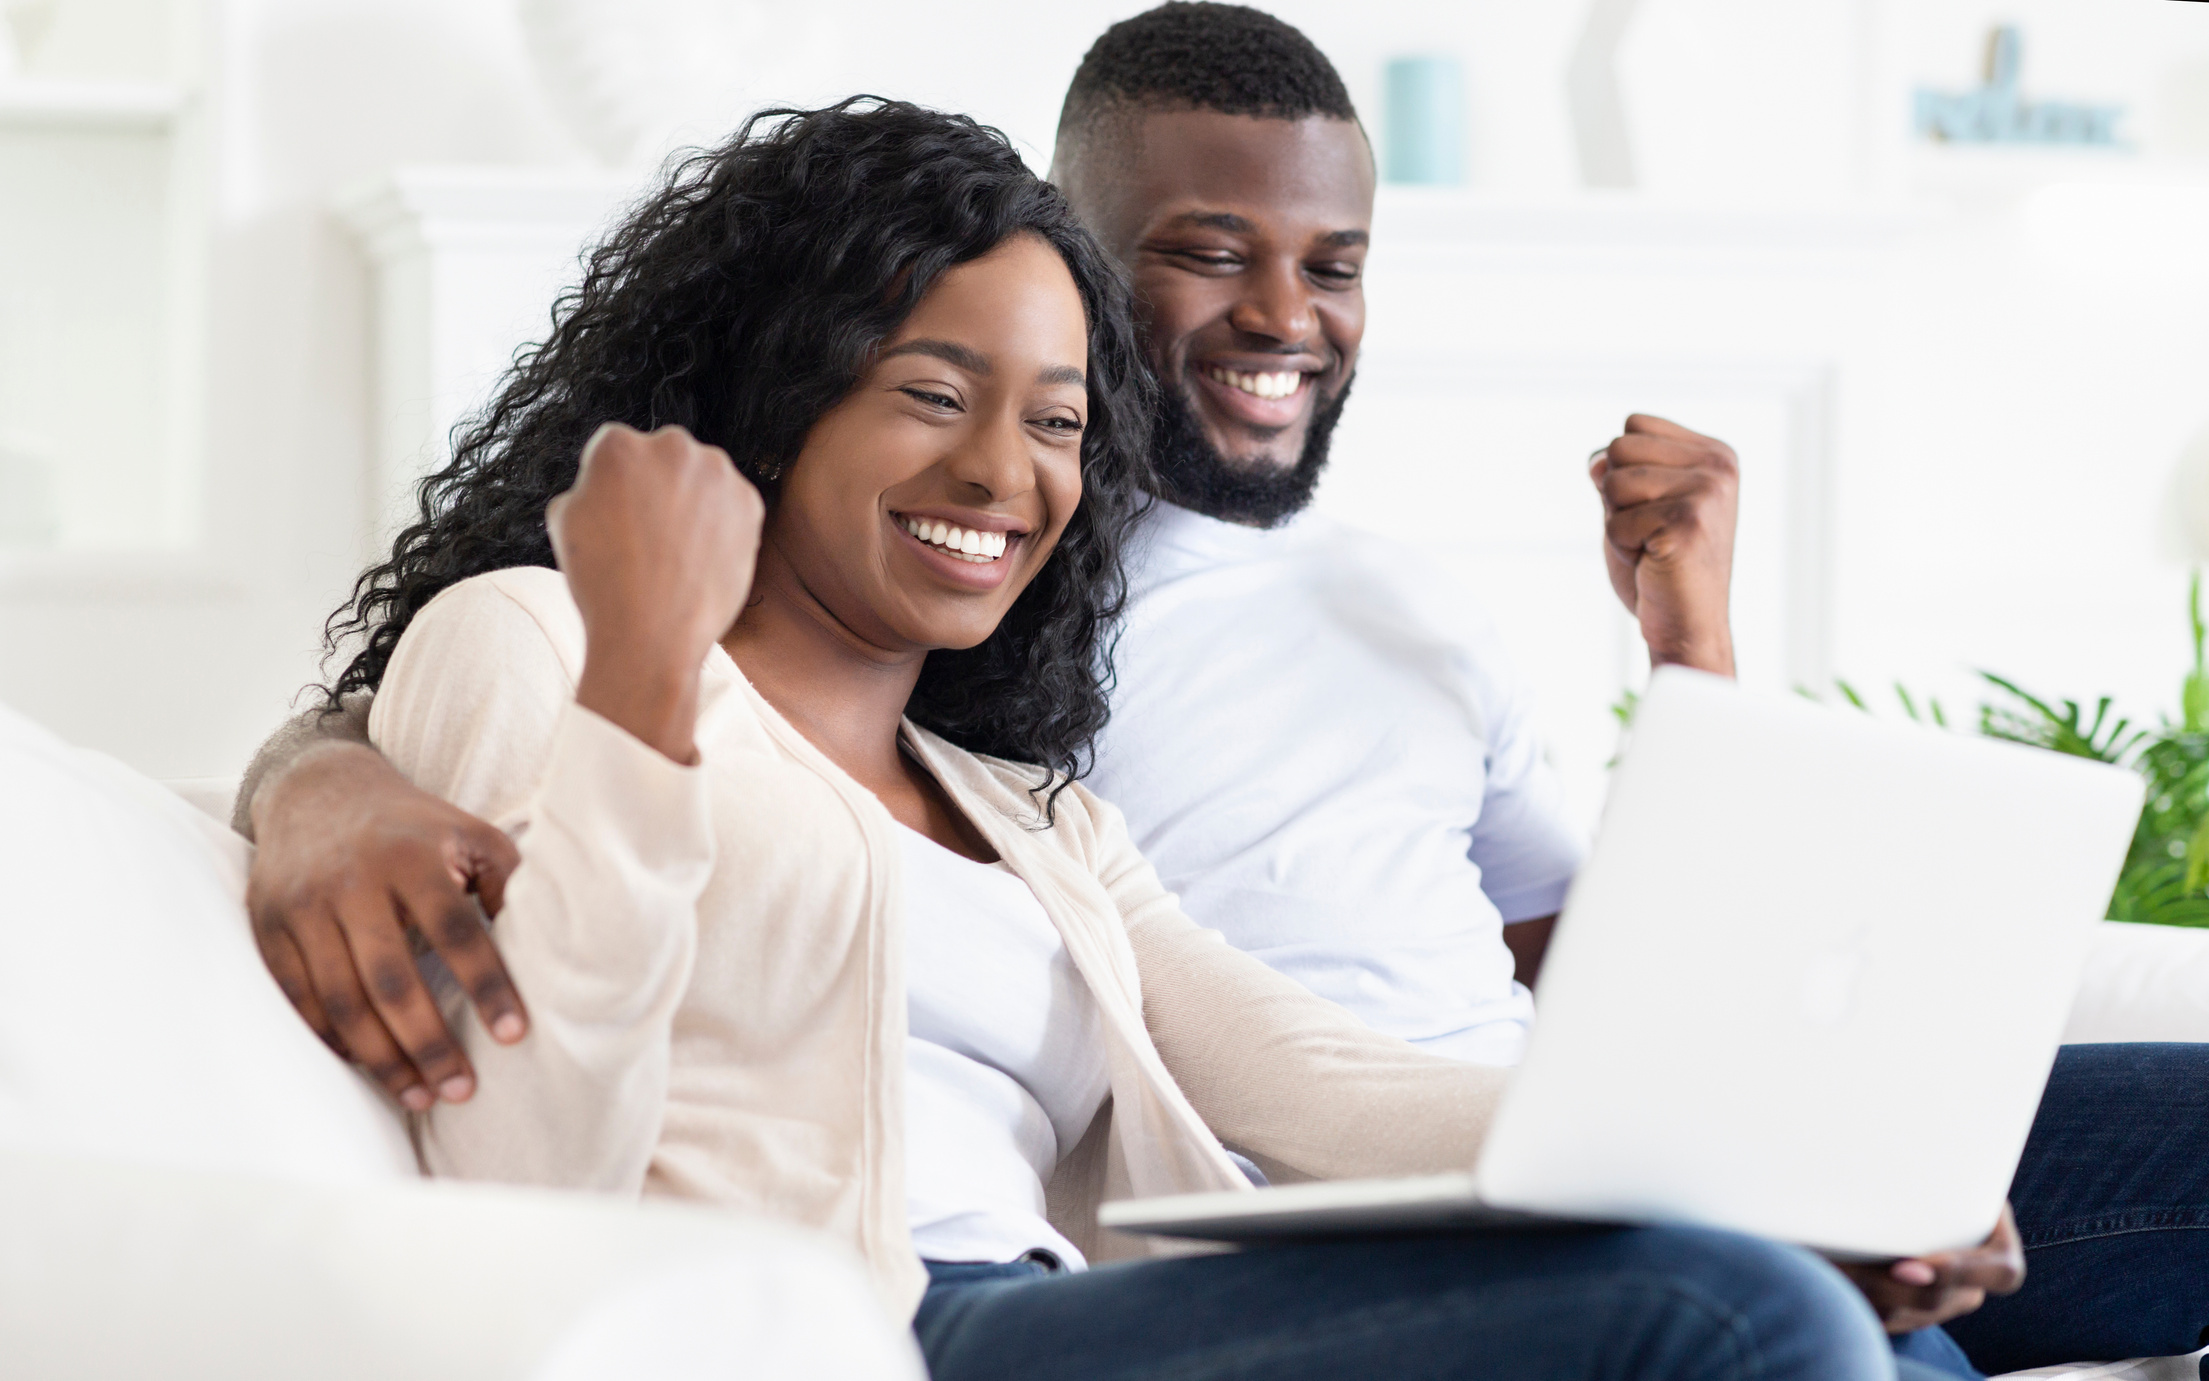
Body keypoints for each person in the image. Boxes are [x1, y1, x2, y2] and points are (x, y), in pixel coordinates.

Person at [233, 7, 2208, 1377]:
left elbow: (1325, 1083)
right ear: (773, 385)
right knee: (1740, 1326)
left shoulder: (1025, 802)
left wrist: (1784, 1169)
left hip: (1084, 1299)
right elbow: (518, 1185)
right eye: (932, 391)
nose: (1004, 475)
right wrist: (640, 694)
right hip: (868, 1329)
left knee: (1763, 1276)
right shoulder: (542, 643)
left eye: (1054, 421)